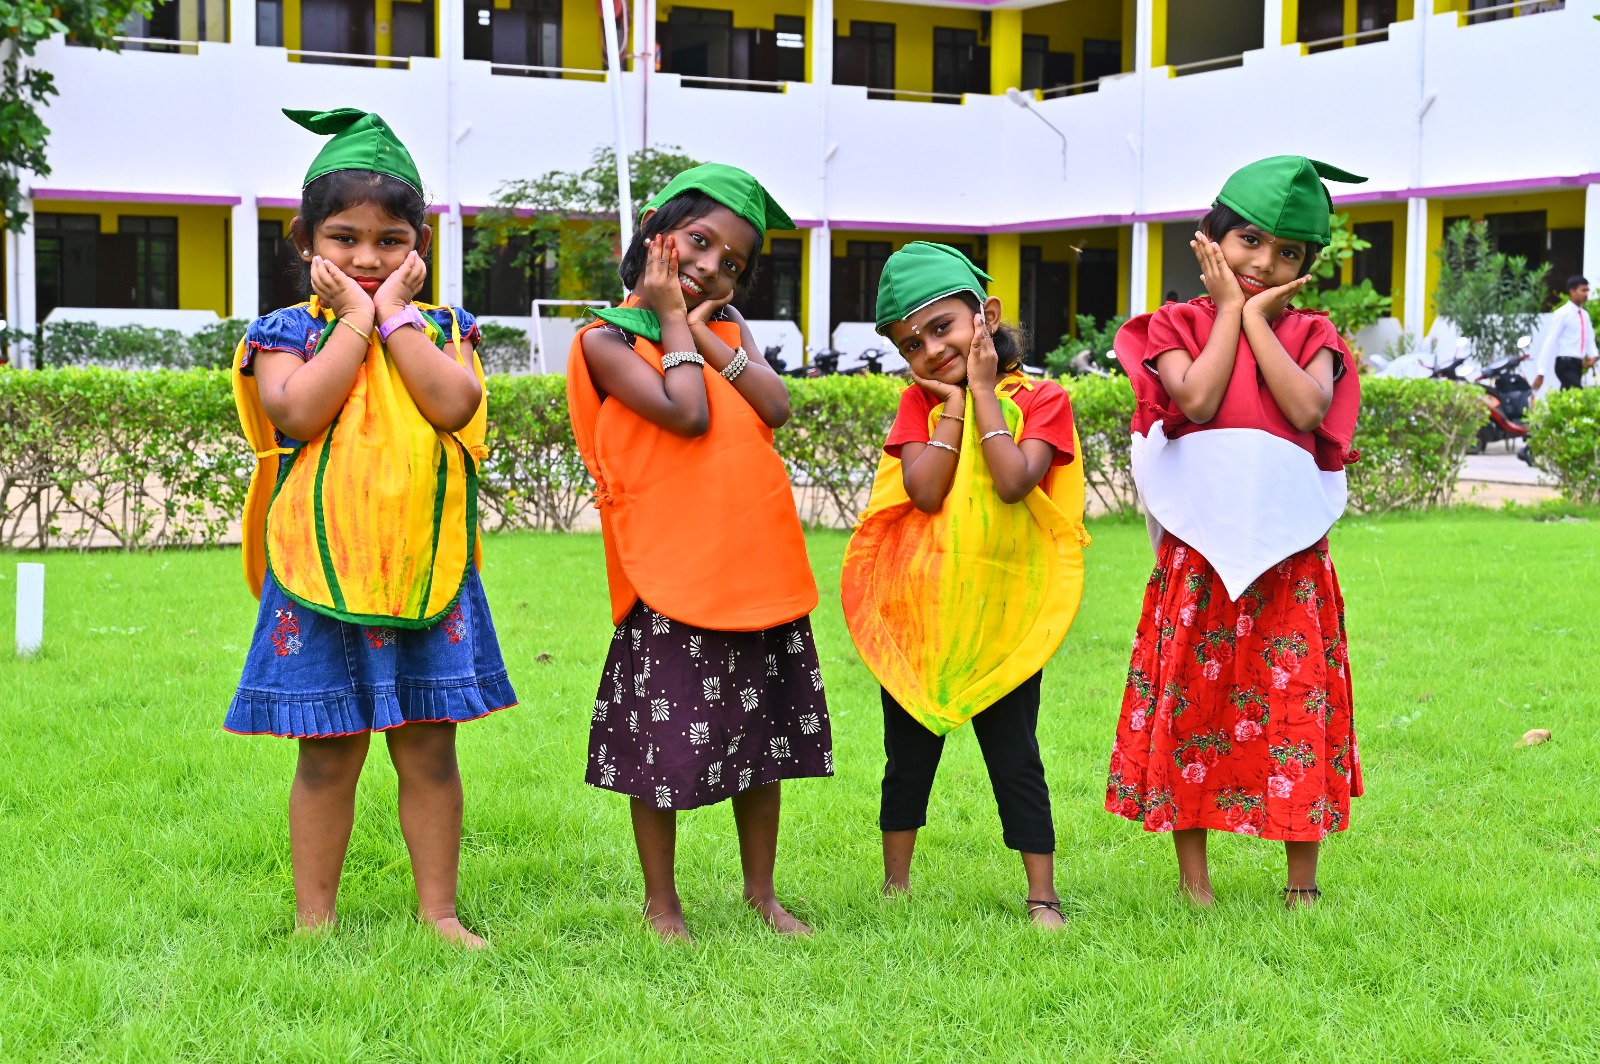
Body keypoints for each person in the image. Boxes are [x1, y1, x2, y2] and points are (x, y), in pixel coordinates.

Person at [228, 108, 516, 946]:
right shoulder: (287, 332)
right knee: (327, 752)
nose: (365, 257)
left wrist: (394, 318)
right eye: (344, 237)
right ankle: (314, 922)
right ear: (304, 239)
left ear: (419, 246)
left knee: (429, 751)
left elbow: (454, 404)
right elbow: (297, 412)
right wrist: (358, 317)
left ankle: (440, 913)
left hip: (426, 570)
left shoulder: (443, 330)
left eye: (390, 240)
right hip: (319, 574)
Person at [566, 164, 832, 943]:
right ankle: (663, 905)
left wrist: (714, 338)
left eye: (734, 262)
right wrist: (677, 322)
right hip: (669, 576)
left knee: (764, 743)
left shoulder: (726, 332)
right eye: (701, 241)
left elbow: (775, 406)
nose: (714, 266)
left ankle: (762, 894)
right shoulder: (604, 341)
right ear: (657, 235)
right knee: (659, 748)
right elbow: (683, 417)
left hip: (754, 566)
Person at [1104, 157, 1364, 910]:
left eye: (1289, 253)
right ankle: (1195, 885)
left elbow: (1309, 410)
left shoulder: (1314, 333)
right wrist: (1226, 314)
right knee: (1195, 704)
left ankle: (1302, 884)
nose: (1265, 263)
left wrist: (1255, 321)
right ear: (1209, 239)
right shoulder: (1173, 326)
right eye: (1250, 240)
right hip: (1198, 560)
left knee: (1295, 707)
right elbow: (1196, 395)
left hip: (1291, 564)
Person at [841, 242, 1090, 929]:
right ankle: (896, 887)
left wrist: (981, 392)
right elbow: (923, 494)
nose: (928, 349)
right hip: (920, 617)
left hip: (1003, 620)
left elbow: (1014, 483)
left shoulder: (1043, 399)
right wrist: (950, 405)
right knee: (907, 761)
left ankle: (1042, 895)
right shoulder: (915, 407)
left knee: (1016, 759)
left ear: (987, 315)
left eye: (941, 326)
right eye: (910, 343)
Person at [1532, 275, 1597, 393]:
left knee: (1568, 396)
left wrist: (1594, 355)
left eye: (1587, 290)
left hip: (1578, 365)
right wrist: (1541, 372)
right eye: (1583, 290)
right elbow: (1549, 341)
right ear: (1572, 291)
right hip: (1565, 364)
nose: (1586, 293)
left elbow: (1589, 338)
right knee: (1579, 393)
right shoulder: (1562, 314)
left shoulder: (1584, 315)